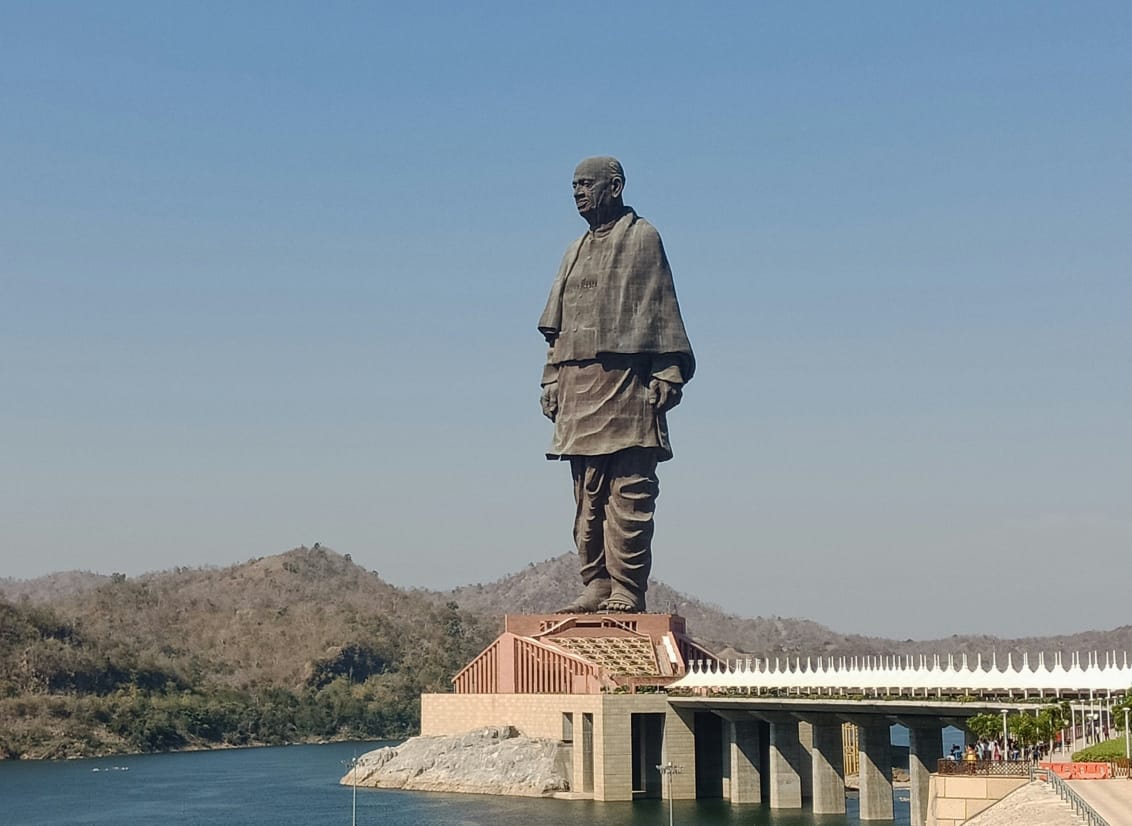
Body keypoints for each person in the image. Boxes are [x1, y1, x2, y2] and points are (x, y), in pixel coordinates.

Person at [538, 156, 694, 613]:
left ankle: (627, 587)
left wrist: (667, 369)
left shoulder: (642, 238)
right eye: (573, 186)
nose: (578, 193)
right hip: (577, 385)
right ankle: (597, 582)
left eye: (587, 184)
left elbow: (661, 306)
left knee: (629, 491)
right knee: (587, 495)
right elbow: (556, 329)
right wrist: (551, 378)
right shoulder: (573, 251)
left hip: (627, 385)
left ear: (616, 186)